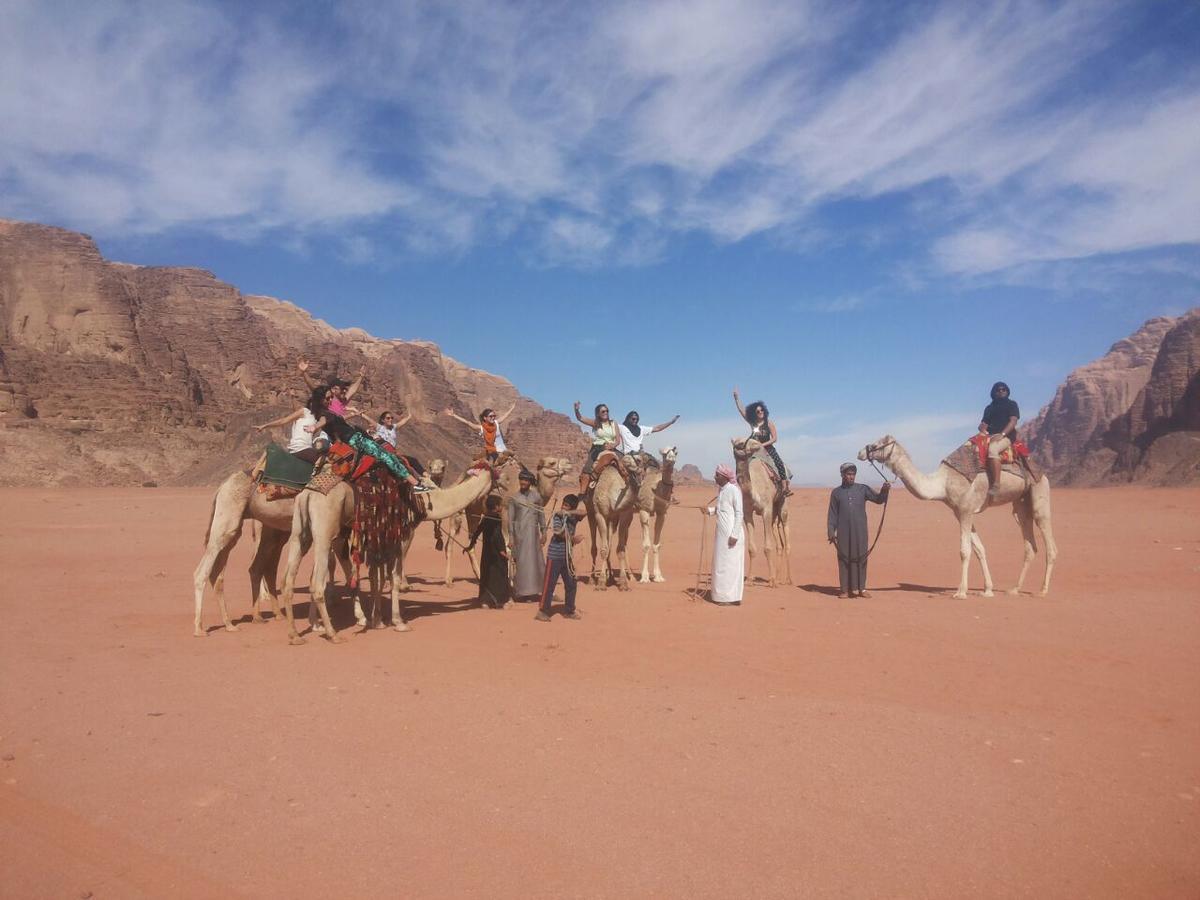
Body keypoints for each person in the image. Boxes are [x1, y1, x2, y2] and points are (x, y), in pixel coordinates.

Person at [307, 388, 428, 491]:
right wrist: (314, 427)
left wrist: (354, 414)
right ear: (320, 400)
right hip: (356, 440)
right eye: (327, 398)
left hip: (354, 438)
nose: (330, 400)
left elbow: (336, 420)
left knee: (382, 458)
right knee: (386, 456)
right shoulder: (324, 414)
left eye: (331, 397)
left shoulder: (326, 412)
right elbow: (323, 421)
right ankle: (415, 484)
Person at [827, 463, 889, 598]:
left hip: (860, 530)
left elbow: (879, 500)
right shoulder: (836, 493)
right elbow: (832, 514)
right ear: (842, 475)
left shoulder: (862, 489)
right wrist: (831, 531)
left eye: (853, 474)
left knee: (861, 557)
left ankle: (862, 589)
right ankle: (844, 590)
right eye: (848, 474)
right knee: (844, 558)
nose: (851, 477)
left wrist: (884, 490)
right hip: (843, 531)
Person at [535, 493, 587, 621]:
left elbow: (584, 512)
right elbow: (558, 533)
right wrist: (573, 539)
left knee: (571, 583)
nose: (564, 507)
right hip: (555, 555)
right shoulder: (557, 516)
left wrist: (570, 513)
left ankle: (569, 610)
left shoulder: (573, 517)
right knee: (549, 584)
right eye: (563, 504)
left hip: (567, 556)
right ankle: (542, 611)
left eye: (567, 505)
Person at [733, 388, 791, 496]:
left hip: (768, 449)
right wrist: (737, 399)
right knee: (741, 464)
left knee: (779, 463)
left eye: (761, 410)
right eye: (758, 411)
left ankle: (784, 487)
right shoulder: (753, 423)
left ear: (764, 410)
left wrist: (762, 445)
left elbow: (774, 438)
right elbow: (742, 411)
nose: (760, 413)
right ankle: (739, 487)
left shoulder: (769, 423)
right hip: (754, 451)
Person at [573, 401, 636, 494]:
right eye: (603, 411)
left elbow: (618, 440)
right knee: (587, 469)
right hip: (597, 448)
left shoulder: (613, 423)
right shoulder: (595, 423)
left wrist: (612, 445)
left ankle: (634, 490)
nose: (605, 413)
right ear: (598, 414)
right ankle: (583, 493)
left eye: (607, 411)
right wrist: (576, 409)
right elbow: (580, 418)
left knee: (629, 464)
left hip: (611, 448)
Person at [706, 464, 745, 605]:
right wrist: (710, 511)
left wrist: (734, 534)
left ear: (724, 477)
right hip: (721, 534)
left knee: (730, 565)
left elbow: (739, 513)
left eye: (717, 475)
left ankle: (731, 597)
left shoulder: (734, 490)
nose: (715, 477)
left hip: (731, 534)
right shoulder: (722, 490)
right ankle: (721, 596)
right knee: (721, 564)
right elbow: (722, 509)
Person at [507, 469, 547, 601]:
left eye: (525, 480)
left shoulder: (536, 497)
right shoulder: (514, 498)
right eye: (521, 480)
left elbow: (541, 515)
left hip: (534, 536)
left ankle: (539, 590)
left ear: (530, 482)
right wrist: (511, 538)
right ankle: (524, 593)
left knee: (537, 563)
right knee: (523, 564)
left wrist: (544, 532)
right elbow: (511, 520)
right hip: (520, 536)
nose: (523, 482)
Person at [255, 394, 330, 463]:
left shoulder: (316, 419)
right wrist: (265, 426)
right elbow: (283, 421)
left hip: (307, 448)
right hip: (299, 448)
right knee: (325, 461)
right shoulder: (305, 411)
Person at [465, 495, 510, 609]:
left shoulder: (485, 518)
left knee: (486, 574)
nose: (502, 507)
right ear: (496, 506)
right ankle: (499, 601)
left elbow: (477, 531)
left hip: (487, 552)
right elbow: (497, 536)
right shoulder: (496, 518)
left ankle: (485, 600)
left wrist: (471, 545)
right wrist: (502, 551)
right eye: (500, 505)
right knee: (500, 573)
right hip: (496, 552)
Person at [980, 381, 1019, 497]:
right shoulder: (989, 408)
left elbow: (1013, 421)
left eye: (1003, 389)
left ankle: (996, 484)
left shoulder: (1012, 404)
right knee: (971, 447)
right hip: (990, 435)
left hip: (1006, 436)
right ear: (994, 393)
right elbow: (984, 424)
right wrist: (982, 429)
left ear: (1007, 391)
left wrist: (1002, 434)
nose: (1001, 391)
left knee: (993, 450)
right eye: (998, 390)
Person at [442, 404, 516, 461]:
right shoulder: (481, 428)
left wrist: (512, 408)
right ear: (485, 418)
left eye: (494, 416)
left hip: (503, 451)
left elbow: (506, 416)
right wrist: (454, 415)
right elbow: (468, 423)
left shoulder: (496, 423)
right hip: (492, 453)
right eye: (490, 416)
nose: (493, 417)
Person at [298, 359, 365, 417]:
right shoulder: (328, 401)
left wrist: (361, 377)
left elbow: (352, 391)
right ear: (334, 389)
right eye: (341, 389)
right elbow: (314, 388)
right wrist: (304, 373)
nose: (344, 391)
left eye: (344, 389)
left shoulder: (342, 402)